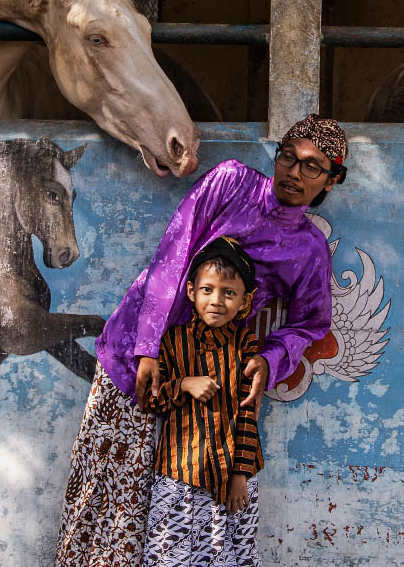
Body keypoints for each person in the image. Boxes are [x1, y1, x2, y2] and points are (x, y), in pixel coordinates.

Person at [55, 114, 349, 566]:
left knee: (175, 520)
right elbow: (173, 253)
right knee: (109, 498)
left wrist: (270, 359)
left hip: (206, 389)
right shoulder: (231, 182)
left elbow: (311, 323)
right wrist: (147, 347)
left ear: (331, 180)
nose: (294, 172)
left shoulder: (307, 249)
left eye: (312, 166)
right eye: (288, 157)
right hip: (138, 356)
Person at [142, 236, 264, 566]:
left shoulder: (245, 344)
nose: (216, 300)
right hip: (180, 471)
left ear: (245, 300)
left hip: (232, 477)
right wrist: (183, 385)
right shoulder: (172, 341)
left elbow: (249, 413)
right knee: (169, 555)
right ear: (191, 291)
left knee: (229, 554)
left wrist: (240, 474)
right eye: (207, 289)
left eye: (229, 293)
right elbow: (151, 401)